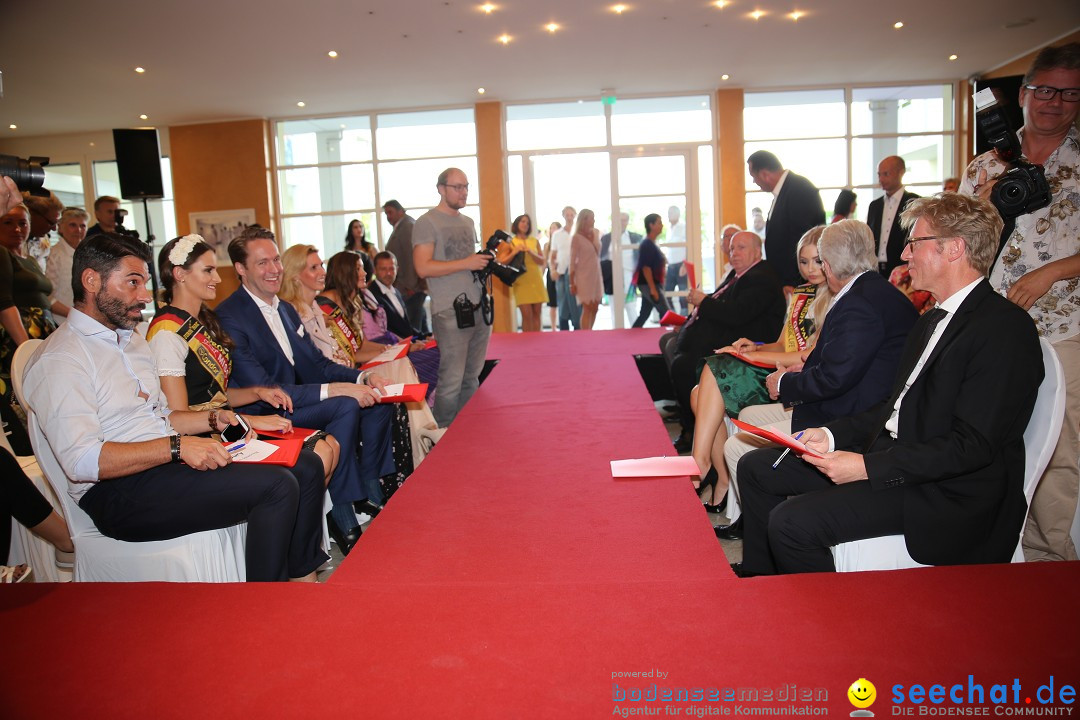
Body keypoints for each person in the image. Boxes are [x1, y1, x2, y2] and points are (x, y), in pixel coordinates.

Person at [734, 194, 1044, 576]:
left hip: (942, 491)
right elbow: (892, 410)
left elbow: (971, 447)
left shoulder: (1004, 329)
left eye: (914, 243)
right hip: (897, 460)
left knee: (792, 523)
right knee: (756, 468)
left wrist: (867, 467)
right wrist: (830, 435)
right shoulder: (931, 319)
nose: (904, 255)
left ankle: (826, 627)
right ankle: (766, 583)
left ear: (954, 249)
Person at [23, 232, 329, 582]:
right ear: (91, 281)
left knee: (304, 465)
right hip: (117, 493)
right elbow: (81, 461)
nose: (144, 296)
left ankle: (300, 582)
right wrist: (177, 447)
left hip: (162, 468)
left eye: (145, 283)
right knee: (277, 485)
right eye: (132, 283)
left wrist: (214, 418)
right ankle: (263, 609)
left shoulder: (130, 340)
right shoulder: (61, 358)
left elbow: (159, 417)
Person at [719, 220, 917, 536]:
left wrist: (783, 383)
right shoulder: (870, 291)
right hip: (853, 406)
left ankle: (765, 539)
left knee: (745, 455)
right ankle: (756, 529)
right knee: (748, 439)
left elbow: (835, 379)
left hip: (852, 420)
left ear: (827, 265)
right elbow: (838, 363)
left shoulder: (860, 303)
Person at [961, 42, 1080, 562]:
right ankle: (993, 545)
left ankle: (1048, 556)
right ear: (1024, 92)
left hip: (1066, 325)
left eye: (1071, 94)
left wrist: (1053, 271)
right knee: (989, 436)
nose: (1056, 102)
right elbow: (959, 244)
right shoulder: (986, 164)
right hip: (995, 327)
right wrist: (982, 205)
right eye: (1046, 89)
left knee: (1060, 445)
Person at [215, 226, 395, 554]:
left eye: (275, 260)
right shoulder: (230, 316)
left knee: (370, 400)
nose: (273, 270)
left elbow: (317, 364)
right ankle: (345, 517)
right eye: (261, 263)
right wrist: (336, 390)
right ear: (240, 269)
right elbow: (266, 388)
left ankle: (364, 499)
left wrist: (360, 379)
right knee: (344, 406)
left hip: (294, 401)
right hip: (262, 413)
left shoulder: (283, 308)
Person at [147, 235, 340, 491]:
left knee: (331, 447)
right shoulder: (167, 332)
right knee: (316, 458)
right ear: (180, 274)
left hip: (227, 426)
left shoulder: (199, 322)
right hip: (207, 441)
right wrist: (249, 420)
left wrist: (256, 392)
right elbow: (178, 418)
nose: (217, 278)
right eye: (209, 270)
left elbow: (213, 393)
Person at [690, 227, 832, 512]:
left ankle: (700, 465)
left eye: (817, 261)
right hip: (779, 367)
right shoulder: (802, 294)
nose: (810, 269)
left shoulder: (833, 298)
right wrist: (754, 347)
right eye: (803, 262)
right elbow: (783, 344)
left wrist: (758, 356)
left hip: (795, 380)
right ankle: (721, 477)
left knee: (715, 367)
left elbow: (805, 356)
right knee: (698, 393)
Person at [281, 246, 440, 486]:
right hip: (313, 390)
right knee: (359, 403)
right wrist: (355, 379)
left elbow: (344, 353)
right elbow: (318, 365)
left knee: (384, 403)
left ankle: (375, 480)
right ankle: (358, 494)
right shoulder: (297, 311)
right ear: (295, 274)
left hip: (338, 375)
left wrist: (364, 373)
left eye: (321, 265)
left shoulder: (316, 306)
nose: (322, 271)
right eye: (314, 267)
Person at [662, 231, 786, 448]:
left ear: (757, 252)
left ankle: (691, 430)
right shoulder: (738, 275)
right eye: (731, 248)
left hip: (746, 344)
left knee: (683, 365)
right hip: (723, 335)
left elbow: (736, 314)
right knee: (671, 344)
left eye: (741, 248)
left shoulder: (762, 278)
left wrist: (703, 301)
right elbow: (721, 304)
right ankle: (686, 420)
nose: (734, 253)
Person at [412, 167, 493, 427]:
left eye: (466, 186)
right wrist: (467, 262)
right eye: (457, 187)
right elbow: (422, 267)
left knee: (472, 376)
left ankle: (466, 431)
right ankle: (442, 436)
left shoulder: (468, 222)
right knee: (451, 380)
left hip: (478, 306)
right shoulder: (427, 222)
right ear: (441, 189)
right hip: (449, 310)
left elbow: (468, 264)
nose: (463, 192)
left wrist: (482, 262)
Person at [321, 250, 440, 402]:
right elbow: (349, 354)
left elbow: (359, 346)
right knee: (402, 365)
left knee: (402, 362)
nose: (365, 273)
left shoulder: (352, 300)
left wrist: (388, 351)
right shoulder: (327, 304)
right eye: (358, 268)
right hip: (342, 372)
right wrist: (386, 353)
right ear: (344, 272)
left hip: (360, 363)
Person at [0, 205, 62, 401]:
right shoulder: (1, 253)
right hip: (17, 338)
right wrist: (25, 348)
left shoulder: (30, 259)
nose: (17, 229)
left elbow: (47, 301)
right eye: (8, 223)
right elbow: (4, 304)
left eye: (22, 223)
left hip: (42, 336)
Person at [747, 151, 825, 287]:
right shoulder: (783, 191)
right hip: (784, 279)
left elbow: (802, 239)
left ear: (764, 174)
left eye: (754, 177)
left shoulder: (799, 189)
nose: (754, 182)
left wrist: (792, 280)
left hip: (797, 281)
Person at [867, 156, 920, 277]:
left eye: (886, 174)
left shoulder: (914, 202)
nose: (881, 179)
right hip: (876, 268)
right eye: (879, 174)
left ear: (901, 173)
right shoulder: (874, 206)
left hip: (904, 267)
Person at [383, 199, 429, 334]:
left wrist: (411, 285)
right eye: (386, 214)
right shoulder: (402, 226)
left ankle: (420, 353)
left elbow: (412, 257)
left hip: (411, 287)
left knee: (414, 327)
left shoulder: (407, 226)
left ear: (400, 211)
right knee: (420, 324)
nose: (388, 217)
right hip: (409, 286)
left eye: (390, 212)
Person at [505, 214, 547, 332]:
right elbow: (503, 262)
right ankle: (527, 342)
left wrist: (530, 251)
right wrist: (515, 252)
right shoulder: (511, 241)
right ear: (517, 223)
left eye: (527, 223)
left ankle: (537, 340)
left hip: (535, 279)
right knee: (526, 315)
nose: (525, 225)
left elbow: (542, 261)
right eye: (523, 222)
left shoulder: (534, 241)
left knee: (536, 313)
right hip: (521, 281)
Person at [45, 207, 88, 317]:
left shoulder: (89, 254)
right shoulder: (53, 255)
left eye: (82, 226)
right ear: (60, 228)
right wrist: (76, 316)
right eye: (72, 225)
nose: (78, 230)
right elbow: (47, 296)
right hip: (61, 322)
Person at [369, 250, 422, 339]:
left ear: (397, 269)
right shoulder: (371, 295)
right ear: (374, 270)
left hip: (409, 343)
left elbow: (405, 327)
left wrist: (425, 337)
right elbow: (382, 331)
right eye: (383, 269)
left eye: (391, 268)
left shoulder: (396, 292)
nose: (388, 273)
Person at [630, 213, 668, 328]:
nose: (661, 225)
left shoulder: (651, 243)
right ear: (651, 225)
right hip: (649, 284)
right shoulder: (647, 244)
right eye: (659, 223)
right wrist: (653, 289)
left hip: (650, 283)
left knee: (644, 313)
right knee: (665, 312)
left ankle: (633, 333)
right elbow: (646, 268)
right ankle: (666, 337)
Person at [569, 209, 604, 330]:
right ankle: (585, 335)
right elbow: (572, 261)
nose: (594, 220)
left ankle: (590, 331)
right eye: (591, 218)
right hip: (583, 275)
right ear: (584, 220)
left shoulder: (596, 232)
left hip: (596, 274)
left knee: (595, 306)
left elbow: (598, 252)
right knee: (587, 307)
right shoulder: (576, 238)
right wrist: (571, 283)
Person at [549, 206, 581, 331]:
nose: (569, 216)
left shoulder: (580, 232)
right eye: (567, 214)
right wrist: (552, 270)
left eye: (571, 214)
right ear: (563, 216)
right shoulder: (557, 234)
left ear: (575, 215)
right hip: (561, 273)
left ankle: (578, 330)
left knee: (577, 305)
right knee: (563, 304)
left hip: (577, 274)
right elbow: (553, 255)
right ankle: (564, 331)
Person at [599, 212, 639, 299]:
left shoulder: (635, 237)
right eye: (620, 220)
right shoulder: (606, 238)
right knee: (614, 305)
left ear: (628, 222)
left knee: (631, 305)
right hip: (612, 276)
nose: (622, 223)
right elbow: (601, 257)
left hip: (629, 275)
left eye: (624, 220)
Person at [22, 192, 63, 271]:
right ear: (31, 214)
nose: (54, 229)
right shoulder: (10, 241)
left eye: (56, 223)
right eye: (51, 223)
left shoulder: (44, 241)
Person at [663, 206, 689, 312]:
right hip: (671, 265)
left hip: (681, 265)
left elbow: (688, 246)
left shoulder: (683, 227)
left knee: (683, 295)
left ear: (678, 214)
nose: (669, 215)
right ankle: (672, 316)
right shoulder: (669, 229)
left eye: (671, 213)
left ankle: (684, 318)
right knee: (667, 293)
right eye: (668, 213)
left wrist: (685, 264)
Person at [544, 221, 561, 331]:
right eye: (551, 228)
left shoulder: (563, 242)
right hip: (551, 275)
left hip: (562, 274)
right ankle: (553, 327)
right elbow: (545, 262)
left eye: (555, 228)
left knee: (564, 302)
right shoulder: (547, 245)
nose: (552, 230)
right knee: (553, 303)